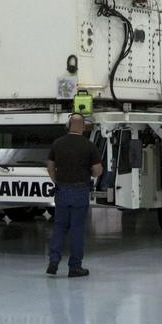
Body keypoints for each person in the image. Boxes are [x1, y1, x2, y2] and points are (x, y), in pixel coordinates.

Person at [45, 114, 102, 278]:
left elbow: (49, 166)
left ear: (68, 126)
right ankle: (75, 267)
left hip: (62, 190)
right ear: (83, 127)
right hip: (80, 191)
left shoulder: (58, 143)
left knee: (60, 227)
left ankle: (53, 261)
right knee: (77, 229)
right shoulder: (89, 145)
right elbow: (97, 170)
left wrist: (57, 181)